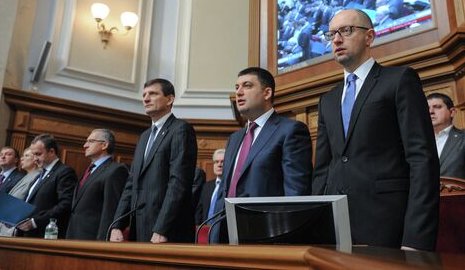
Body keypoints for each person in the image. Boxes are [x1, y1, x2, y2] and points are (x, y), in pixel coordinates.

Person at [312, 9, 439, 250]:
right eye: (331, 34)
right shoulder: (327, 100)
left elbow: (422, 160)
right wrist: (317, 227)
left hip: (389, 226)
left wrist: (416, 238)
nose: (336, 39)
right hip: (335, 231)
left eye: (346, 31)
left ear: (369, 37)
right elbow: (322, 170)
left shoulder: (399, 80)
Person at [215, 67, 313, 242]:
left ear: (267, 92)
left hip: (267, 235)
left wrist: (286, 239)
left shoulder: (290, 130)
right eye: (236, 87)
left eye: (247, 86)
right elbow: (225, 189)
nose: (238, 92)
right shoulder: (234, 138)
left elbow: (296, 194)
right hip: (226, 232)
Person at [110, 78, 198, 243]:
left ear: (169, 99)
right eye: (144, 95)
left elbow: (178, 183)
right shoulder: (144, 137)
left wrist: (161, 228)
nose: (146, 98)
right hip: (139, 225)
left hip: (166, 230)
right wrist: (117, 224)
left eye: (153, 94)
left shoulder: (180, 130)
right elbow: (131, 183)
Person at [65, 129, 128, 240]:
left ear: (104, 145)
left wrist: (102, 242)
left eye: (90, 141)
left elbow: (111, 210)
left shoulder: (116, 170)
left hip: (92, 239)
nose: (85, 145)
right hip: (74, 235)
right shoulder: (90, 170)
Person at [17, 134, 77, 238]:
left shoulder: (64, 172)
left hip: (45, 235)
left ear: (51, 152)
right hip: (26, 235)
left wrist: (35, 222)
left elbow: (66, 204)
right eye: (33, 155)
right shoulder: (40, 175)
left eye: (38, 154)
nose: (35, 159)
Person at [0, 148, 41, 237]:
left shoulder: (38, 176)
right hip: (5, 223)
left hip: (15, 225)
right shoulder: (26, 176)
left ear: (35, 159)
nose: (22, 159)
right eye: (22, 156)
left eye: (26, 156)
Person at [195, 149, 225, 224]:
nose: (219, 165)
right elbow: (199, 211)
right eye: (216, 162)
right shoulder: (206, 186)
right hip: (205, 230)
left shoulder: (231, 186)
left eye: (222, 162)